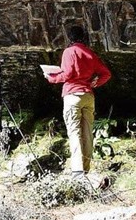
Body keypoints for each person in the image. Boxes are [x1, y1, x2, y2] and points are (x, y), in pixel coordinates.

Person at [44, 26, 112, 177]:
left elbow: (67, 74)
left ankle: (77, 171)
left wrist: (51, 78)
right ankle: (86, 169)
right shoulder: (89, 53)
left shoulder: (69, 52)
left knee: (74, 132)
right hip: (88, 95)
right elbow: (106, 74)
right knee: (87, 133)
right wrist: (95, 83)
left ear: (69, 38)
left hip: (72, 95)